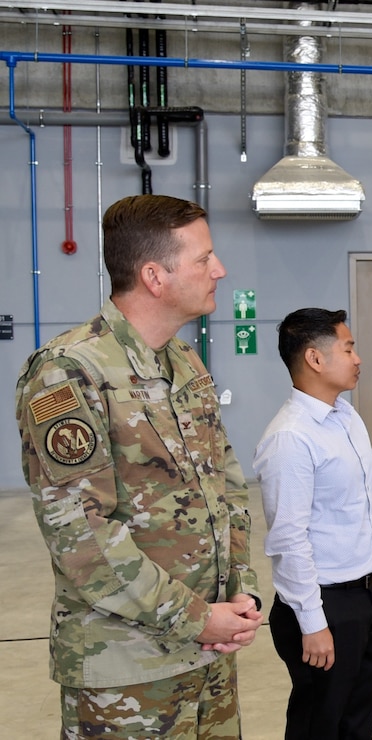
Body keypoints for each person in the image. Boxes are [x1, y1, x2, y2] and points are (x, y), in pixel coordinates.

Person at [14, 194, 264, 739]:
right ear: (155, 275)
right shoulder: (68, 374)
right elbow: (84, 538)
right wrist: (201, 618)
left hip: (209, 656)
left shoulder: (184, 361)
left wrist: (239, 592)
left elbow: (228, 485)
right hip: (128, 671)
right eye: (204, 259)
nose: (218, 270)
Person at [254, 308, 372, 740]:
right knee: (320, 724)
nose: (357, 358)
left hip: (366, 596)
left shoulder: (346, 416)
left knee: (357, 722)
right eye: (348, 348)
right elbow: (288, 540)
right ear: (315, 359)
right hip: (323, 607)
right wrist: (312, 624)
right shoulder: (290, 438)